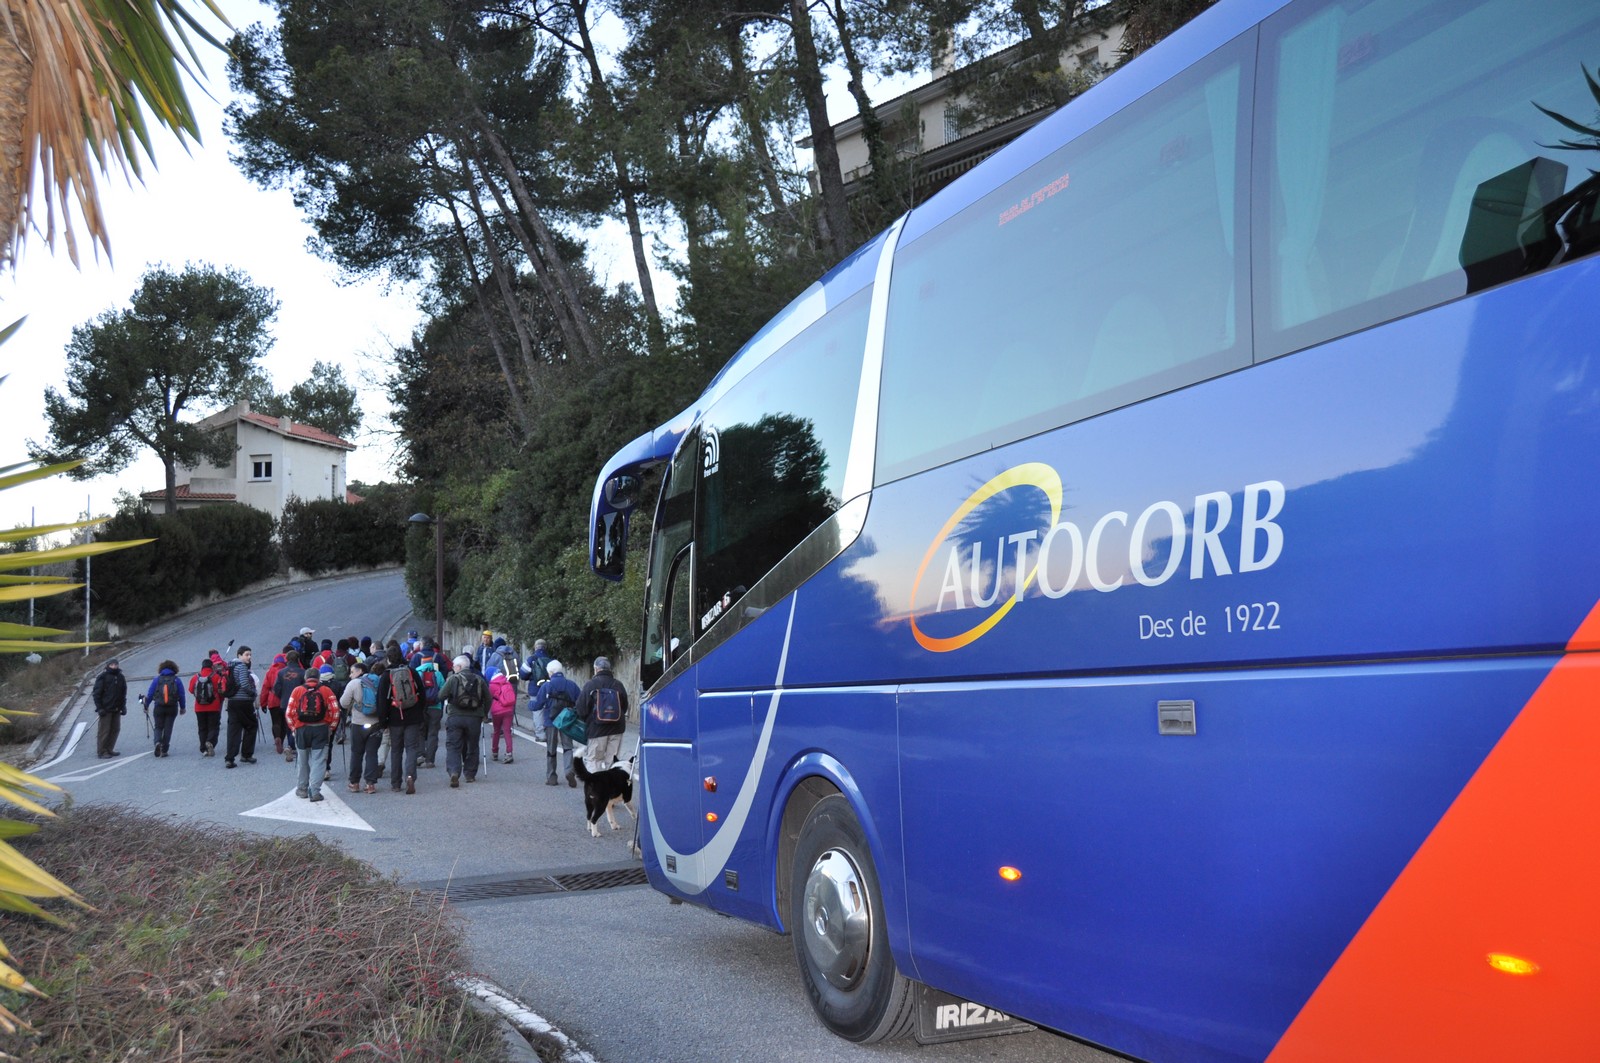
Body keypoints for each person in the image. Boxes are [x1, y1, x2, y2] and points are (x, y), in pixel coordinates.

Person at [284, 668, 338, 802]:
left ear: (305, 678)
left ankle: (302, 789)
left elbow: (289, 713)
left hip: (301, 729)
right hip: (321, 729)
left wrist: (294, 729)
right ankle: (314, 791)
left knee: (302, 760)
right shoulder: (326, 691)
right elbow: (335, 711)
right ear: (319, 678)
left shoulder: (297, 690)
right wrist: (330, 728)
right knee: (319, 760)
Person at [377, 646, 425, 794]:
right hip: (413, 717)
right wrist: (420, 713)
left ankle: (396, 783)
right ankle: (410, 776)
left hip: (395, 718)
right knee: (411, 748)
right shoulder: (411, 672)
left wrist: (383, 722)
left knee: (396, 750)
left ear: (388, 659)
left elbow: (381, 701)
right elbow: (421, 693)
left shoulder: (386, 676)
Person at [440, 654, 488, 788]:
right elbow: (488, 697)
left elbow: (441, 695)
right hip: (474, 718)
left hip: (455, 717)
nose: (453, 668)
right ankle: (470, 774)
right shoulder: (479, 679)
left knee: (453, 746)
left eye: (454, 666)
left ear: (460, 667)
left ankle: (454, 771)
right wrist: (483, 713)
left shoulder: (453, 679)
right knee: (472, 745)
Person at [575, 656, 629, 774]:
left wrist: (588, 721)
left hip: (597, 729)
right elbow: (624, 707)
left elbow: (581, 709)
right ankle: (611, 785)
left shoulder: (590, 685)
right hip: (616, 729)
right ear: (610, 669)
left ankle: (595, 785)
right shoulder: (618, 685)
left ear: (596, 669)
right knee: (613, 761)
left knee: (594, 760)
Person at [530, 659, 580, 786]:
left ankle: (551, 777)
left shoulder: (546, 686)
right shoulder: (571, 685)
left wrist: (530, 705)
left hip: (550, 721)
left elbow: (538, 705)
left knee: (551, 749)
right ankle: (569, 771)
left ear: (550, 672)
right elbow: (580, 703)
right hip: (567, 721)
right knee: (568, 747)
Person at [340, 659, 384, 794]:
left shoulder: (353, 684)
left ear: (360, 671)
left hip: (358, 724)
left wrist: (354, 704)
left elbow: (343, 703)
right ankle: (370, 784)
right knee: (372, 753)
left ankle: (354, 783)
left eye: (352, 672)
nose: (350, 675)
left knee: (357, 753)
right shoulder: (378, 681)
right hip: (375, 723)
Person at [223, 646, 260, 768]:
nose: (249, 657)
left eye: (250, 655)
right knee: (251, 726)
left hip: (232, 701)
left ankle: (230, 758)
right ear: (239, 655)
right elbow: (244, 684)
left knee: (234, 730)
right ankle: (246, 754)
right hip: (244, 701)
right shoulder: (242, 666)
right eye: (246, 654)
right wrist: (253, 693)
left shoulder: (229, 666)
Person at [143, 659, 186, 757]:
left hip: (159, 707)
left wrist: (146, 705)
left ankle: (157, 742)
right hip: (172, 707)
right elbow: (181, 695)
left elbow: (150, 694)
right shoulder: (177, 680)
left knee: (158, 726)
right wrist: (182, 707)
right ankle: (164, 749)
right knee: (168, 728)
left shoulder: (157, 680)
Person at [91, 657, 128, 758]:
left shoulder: (120, 677)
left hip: (117, 708)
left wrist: (123, 706)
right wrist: (99, 708)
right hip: (106, 709)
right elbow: (96, 694)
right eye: (112, 665)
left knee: (115, 729)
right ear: (108, 666)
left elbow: (123, 693)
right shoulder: (102, 677)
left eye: (116, 665)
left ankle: (109, 749)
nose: (114, 666)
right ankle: (102, 751)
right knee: (104, 731)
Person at [189, 655, 225, 756]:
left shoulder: (195, 677)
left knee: (202, 728)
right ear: (212, 666)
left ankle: (203, 748)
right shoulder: (216, 676)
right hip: (214, 706)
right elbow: (221, 690)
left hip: (199, 707)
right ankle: (210, 742)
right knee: (214, 726)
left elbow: (191, 690)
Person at [488, 670, 517, 764]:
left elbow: (488, 699)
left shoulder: (491, 685)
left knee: (496, 731)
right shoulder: (507, 682)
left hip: (497, 711)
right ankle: (509, 753)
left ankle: (495, 752)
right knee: (507, 731)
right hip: (508, 710)